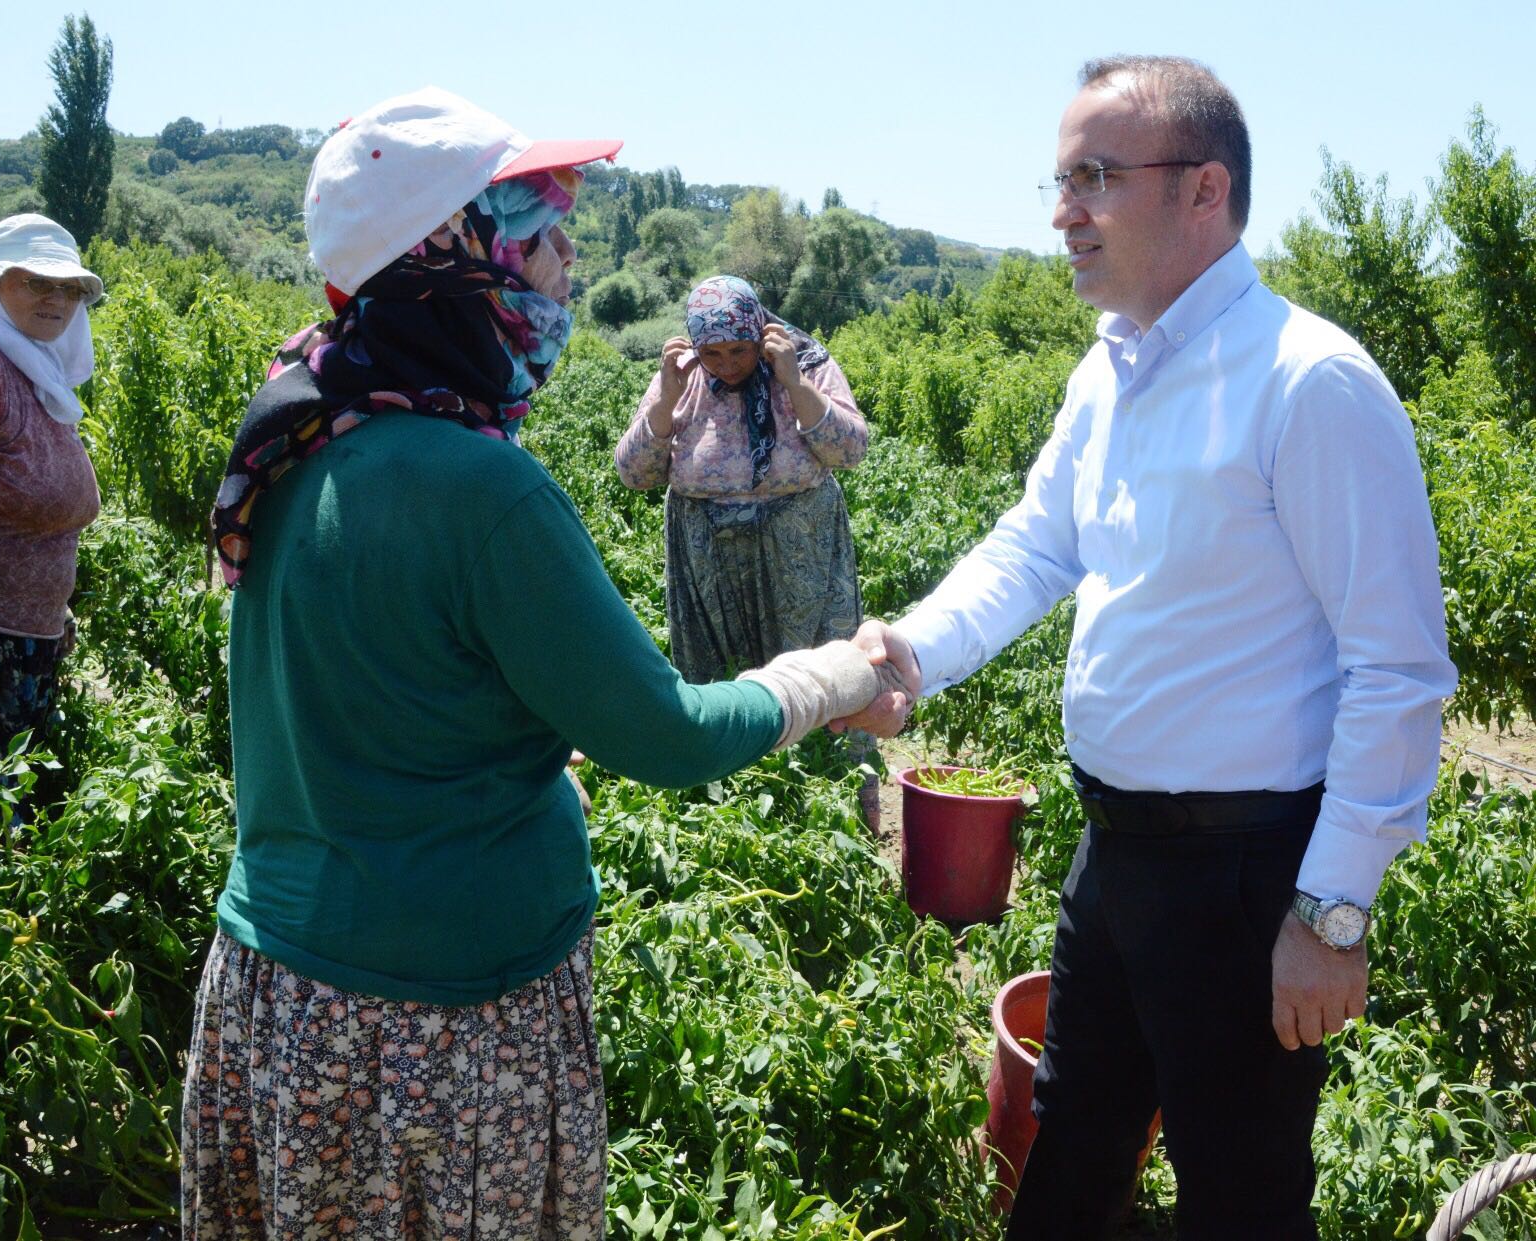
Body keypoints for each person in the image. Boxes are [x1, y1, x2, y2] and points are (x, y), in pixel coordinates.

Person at [183, 87, 892, 1240]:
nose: (571, 262)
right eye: (547, 235)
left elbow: (361, 701)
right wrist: (837, 675)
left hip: (282, 998)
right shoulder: (482, 486)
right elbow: (668, 733)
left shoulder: (301, 437)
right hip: (438, 1036)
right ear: (462, 259)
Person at [834, 56, 1456, 1239]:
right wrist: (910, 651)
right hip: (1116, 852)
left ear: (1203, 190)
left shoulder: (1307, 382)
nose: (1063, 209)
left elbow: (1397, 667)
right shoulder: (1108, 372)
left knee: (1241, 1191)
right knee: (1073, 1145)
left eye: (1095, 177)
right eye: (1059, 179)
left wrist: (1330, 914)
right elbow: (1034, 548)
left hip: (1244, 874)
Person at [614, 276, 880, 824]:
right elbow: (635, 473)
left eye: (740, 349)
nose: (728, 364)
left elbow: (851, 448)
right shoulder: (681, 380)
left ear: (761, 333)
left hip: (798, 547)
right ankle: (730, 809)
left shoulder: (803, 362)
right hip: (707, 555)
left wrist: (793, 382)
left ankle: (833, 810)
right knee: (721, 679)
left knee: (817, 672)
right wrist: (664, 398)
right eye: (713, 352)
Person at [0, 214, 102, 792]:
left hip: (17, 650)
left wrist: (54, 610)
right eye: (37, 281)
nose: (57, 298)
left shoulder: (28, 363)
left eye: (70, 287)